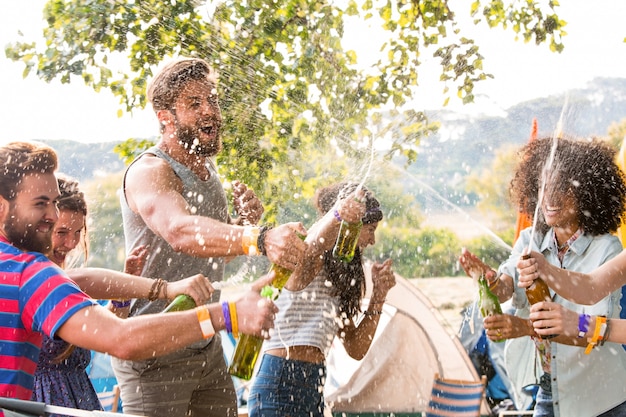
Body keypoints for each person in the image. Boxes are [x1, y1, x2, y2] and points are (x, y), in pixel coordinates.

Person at [0, 141, 278, 409]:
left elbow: (81, 280)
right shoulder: (28, 273)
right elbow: (122, 339)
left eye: (54, 203)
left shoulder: (22, 270)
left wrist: (163, 289)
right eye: (40, 204)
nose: (52, 214)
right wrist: (227, 314)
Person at [115, 56, 307, 417]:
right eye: (194, 104)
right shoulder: (150, 170)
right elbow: (179, 231)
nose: (211, 112)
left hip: (206, 340)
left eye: (213, 101)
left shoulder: (207, 169)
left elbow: (210, 254)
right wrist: (258, 236)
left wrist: (240, 224)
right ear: (165, 117)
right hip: (156, 347)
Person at [459, 136, 626, 417]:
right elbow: (506, 285)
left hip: (600, 396)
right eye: (543, 186)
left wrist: (525, 327)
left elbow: (596, 328)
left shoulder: (606, 248)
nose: (550, 197)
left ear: (586, 192)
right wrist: (487, 282)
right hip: (551, 389)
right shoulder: (530, 239)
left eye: (562, 186)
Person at [31, 175, 215, 414]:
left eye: (78, 232)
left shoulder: (59, 278)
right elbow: (83, 280)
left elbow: (109, 330)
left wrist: (122, 293)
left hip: (78, 400)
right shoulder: (34, 277)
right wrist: (167, 290)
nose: (72, 242)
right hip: (38, 402)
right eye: (62, 232)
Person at [247, 182, 396, 417]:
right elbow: (314, 248)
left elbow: (356, 347)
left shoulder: (341, 275)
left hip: (313, 384)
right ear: (353, 223)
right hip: (279, 382)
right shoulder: (307, 253)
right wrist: (339, 214)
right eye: (371, 229)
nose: (372, 240)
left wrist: (378, 297)